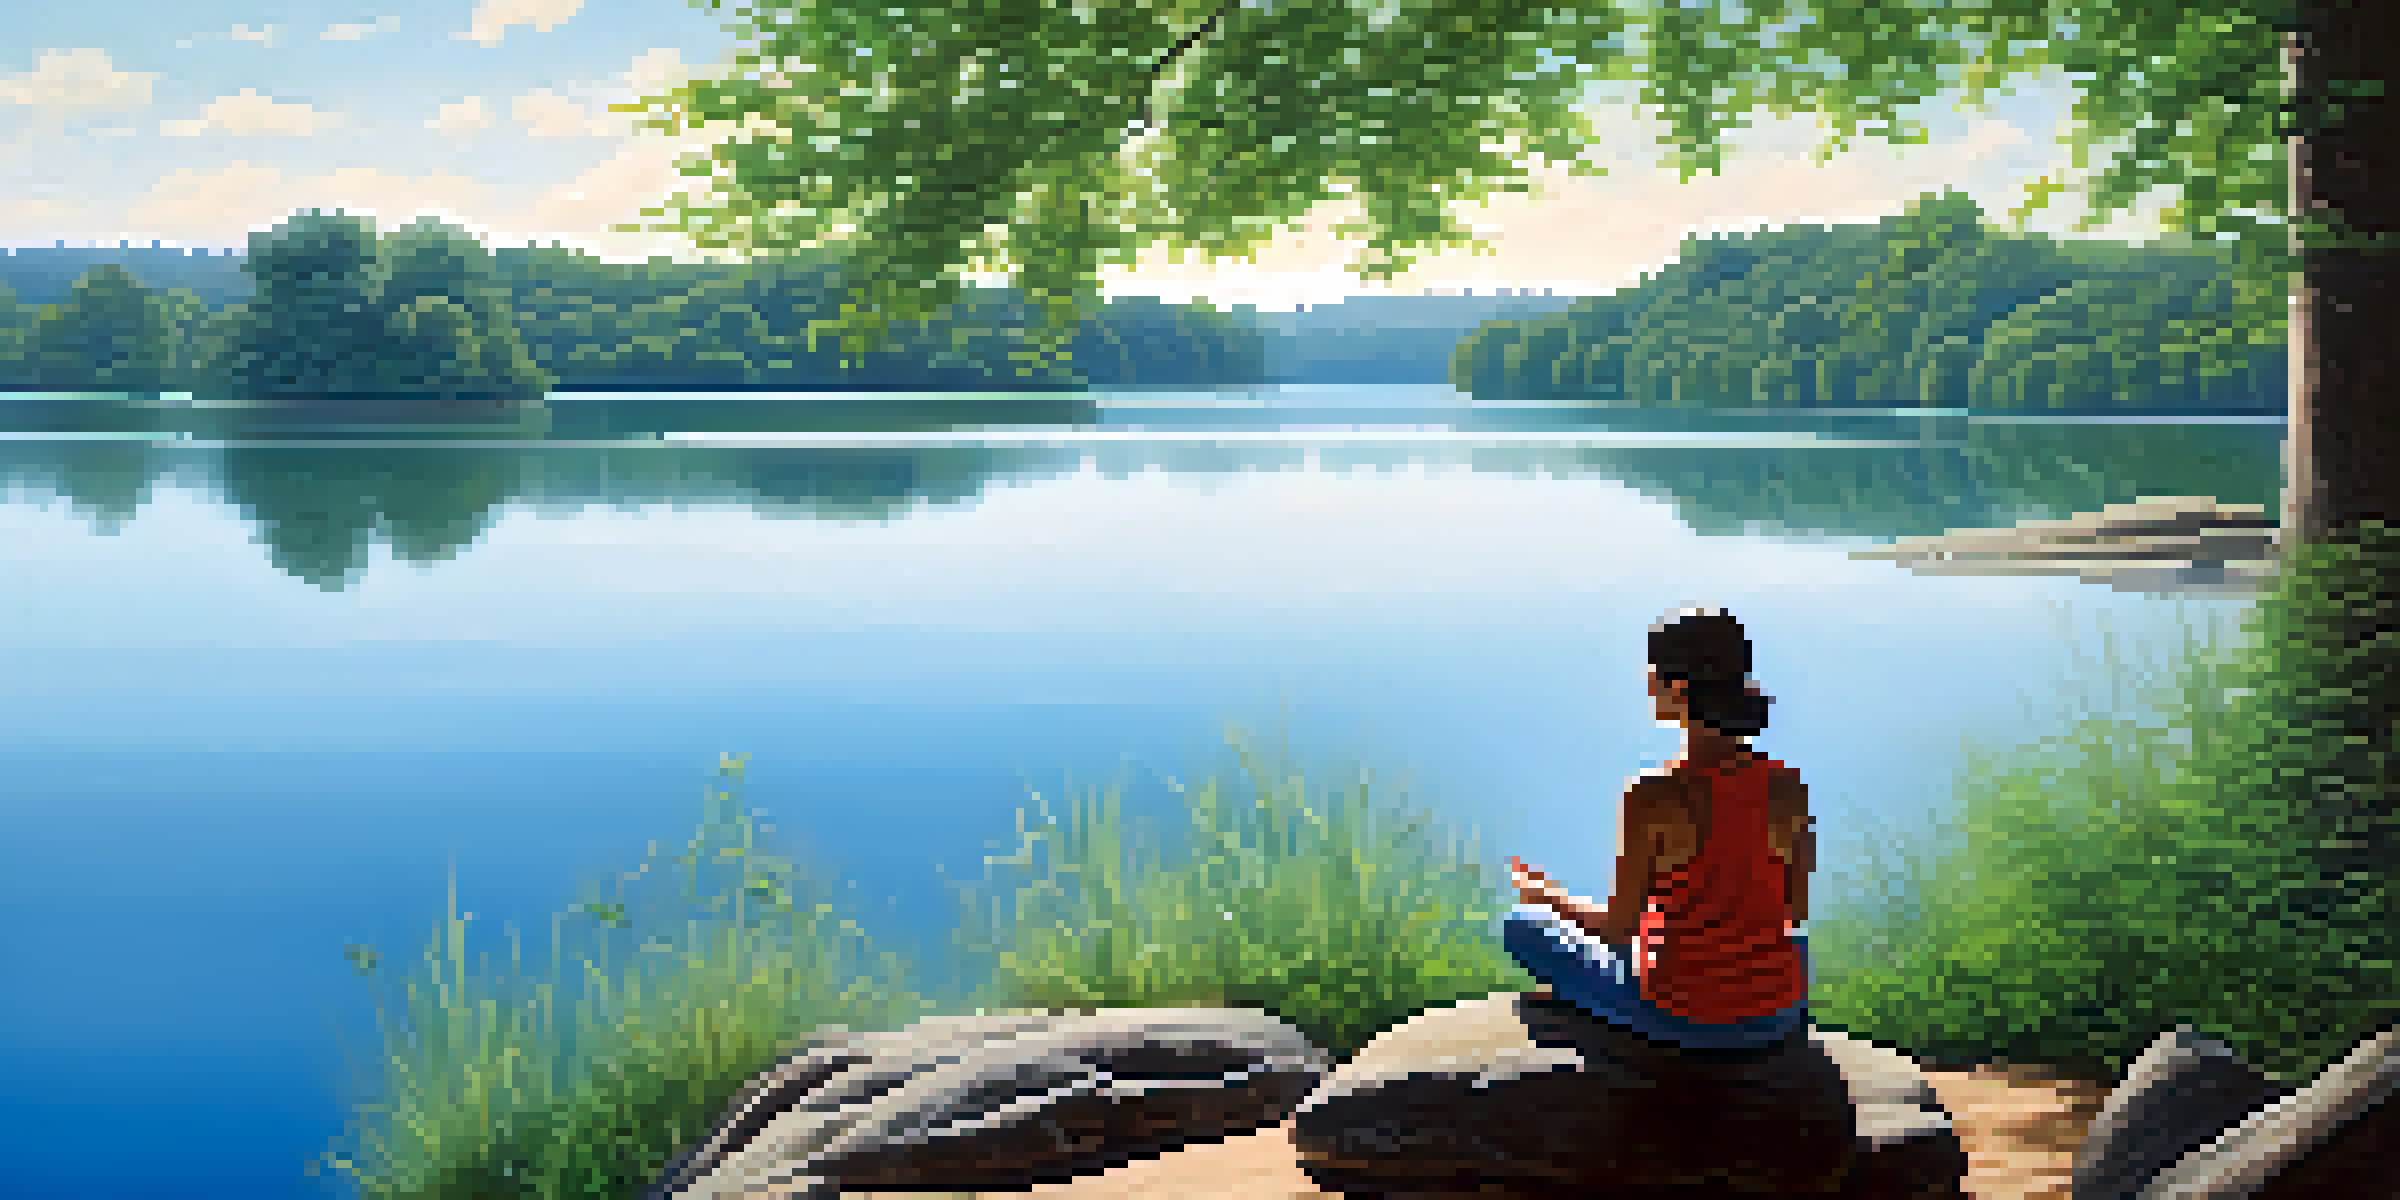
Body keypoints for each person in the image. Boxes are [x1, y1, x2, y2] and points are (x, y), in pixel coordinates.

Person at [1504, 607, 1815, 1051]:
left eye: (1653, 676)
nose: (1648, 686)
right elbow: (1794, 911)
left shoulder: (1652, 795)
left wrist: (1549, 897)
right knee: (1795, 946)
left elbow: (1617, 931)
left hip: (1685, 1017)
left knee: (1522, 926)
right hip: (1777, 1013)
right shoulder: (1789, 786)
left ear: (1676, 689)